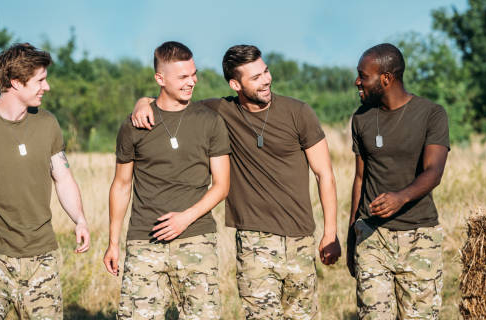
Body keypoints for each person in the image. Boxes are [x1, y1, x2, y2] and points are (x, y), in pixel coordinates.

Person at [132, 44, 341, 320]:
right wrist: (143, 101)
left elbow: (324, 174)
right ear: (235, 84)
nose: (265, 80)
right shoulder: (220, 111)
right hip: (254, 240)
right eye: (255, 77)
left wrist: (330, 232)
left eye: (265, 72)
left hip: (300, 238)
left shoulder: (299, 113)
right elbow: (173, 102)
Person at [0, 43, 90, 318]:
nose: (46, 88)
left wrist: (80, 219)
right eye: (40, 81)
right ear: (15, 82)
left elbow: (63, 177)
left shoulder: (48, 124)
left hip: (41, 260)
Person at [103, 41, 231, 320]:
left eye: (193, 74)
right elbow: (122, 185)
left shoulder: (210, 121)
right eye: (183, 77)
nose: (192, 82)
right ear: (160, 79)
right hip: (143, 241)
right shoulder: (134, 125)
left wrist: (185, 218)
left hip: (197, 239)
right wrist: (113, 242)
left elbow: (222, 185)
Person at [347, 43, 450, 319]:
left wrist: (400, 197)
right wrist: (350, 236)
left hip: (419, 236)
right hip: (371, 236)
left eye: (362, 75)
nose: (357, 81)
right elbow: (360, 178)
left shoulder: (432, 114)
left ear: (386, 78)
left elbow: (434, 171)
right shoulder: (361, 119)